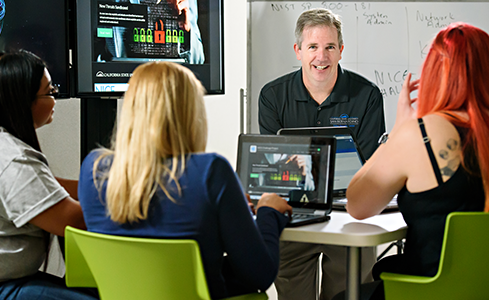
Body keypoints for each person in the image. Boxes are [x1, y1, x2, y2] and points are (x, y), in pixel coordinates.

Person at [78, 61, 293, 299]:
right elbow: (260, 275)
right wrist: (268, 213)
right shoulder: (210, 172)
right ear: (191, 113)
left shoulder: (94, 169)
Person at [336, 22, 488, 300]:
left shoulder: (422, 134)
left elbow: (357, 205)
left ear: (435, 74)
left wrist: (398, 131)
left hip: (423, 291)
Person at [258, 8, 383, 300]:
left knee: (346, 293)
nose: (321, 57)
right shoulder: (272, 96)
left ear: (341, 51)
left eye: (329, 47)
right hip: (294, 217)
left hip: (350, 218)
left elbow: (366, 166)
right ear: (298, 51)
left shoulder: (367, 96)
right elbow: (273, 165)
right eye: (312, 47)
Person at [0, 50, 97, 300]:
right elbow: (71, 220)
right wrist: (130, 196)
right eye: (50, 92)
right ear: (23, 101)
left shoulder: (0, 145)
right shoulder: (12, 158)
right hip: (2, 288)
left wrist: (98, 187)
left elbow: (49, 189)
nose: (55, 98)